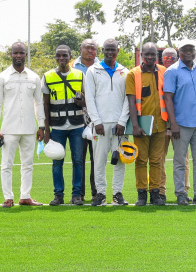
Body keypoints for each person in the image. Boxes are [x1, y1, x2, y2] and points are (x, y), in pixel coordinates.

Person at [0, 42, 46, 208]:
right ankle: (8, 197)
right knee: (7, 165)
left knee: (27, 164)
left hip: (29, 128)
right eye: (15, 53)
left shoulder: (34, 77)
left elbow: (39, 103)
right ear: (11, 54)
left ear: (26, 55)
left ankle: (25, 196)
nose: (18, 56)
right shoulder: (3, 77)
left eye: (21, 53)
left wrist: (41, 126)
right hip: (9, 129)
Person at [164, 42, 196, 205]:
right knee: (179, 161)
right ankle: (180, 193)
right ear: (179, 52)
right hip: (181, 124)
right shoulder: (172, 71)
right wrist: (173, 123)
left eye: (191, 50)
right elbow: (168, 98)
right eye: (185, 50)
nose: (189, 53)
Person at [84, 39, 131, 206]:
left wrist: (123, 121)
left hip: (120, 125)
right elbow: (89, 97)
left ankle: (117, 193)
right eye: (107, 50)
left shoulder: (124, 71)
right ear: (103, 51)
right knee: (99, 160)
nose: (110, 53)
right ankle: (101, 193)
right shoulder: (92, 70)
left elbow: (128, 98)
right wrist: (96, 121)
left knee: (120, 159)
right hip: (100, 125)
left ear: (118, 50)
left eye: (113, 50)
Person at [42, 45, 86, 206]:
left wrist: (83, 102)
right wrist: (47, 130)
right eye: (59, 56)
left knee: (78, 161)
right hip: (57, 126)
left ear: (70, 56)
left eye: (65, 55)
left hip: (77, 124)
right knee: (57, 161)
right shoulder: (47, 76)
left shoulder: (80, 75)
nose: (62, 58)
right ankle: (58, 194)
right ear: (55, 57)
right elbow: (45, 105)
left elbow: (87, 99)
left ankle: (76, 195)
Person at [126, 42, 168, 206]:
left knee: (157, 160)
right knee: (141, 160)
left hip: (160, 124)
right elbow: (131, 101)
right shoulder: (133, 74)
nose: (150, 57)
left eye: (153, 54)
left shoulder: (164, 72)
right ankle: (141, 194)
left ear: (157, 55)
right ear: (141, 55)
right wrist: (135, 125)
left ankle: (155, 193)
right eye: (147, 54)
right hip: (141, 125)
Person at [72, 39, 99, 203]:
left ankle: (97, 192)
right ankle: (79, 194)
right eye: (87, 48)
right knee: (79, 158)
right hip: (78, 118)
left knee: (96, 157)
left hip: (97, 119)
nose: (90, 50)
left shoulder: (101, 67)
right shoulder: (72, 67)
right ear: (80, 49)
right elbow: (74, 92)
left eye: (93, 48)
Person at [159, 46, 185, 203]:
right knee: (159, 158)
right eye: (166, 57)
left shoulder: (181, 71)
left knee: (182, 158)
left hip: (180, 122)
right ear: (161, 59)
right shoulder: (157, 72)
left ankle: (184, 189)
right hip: (162, 121)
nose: (169, 60)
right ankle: (160, 190)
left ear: (177, 58)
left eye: (172, 57)